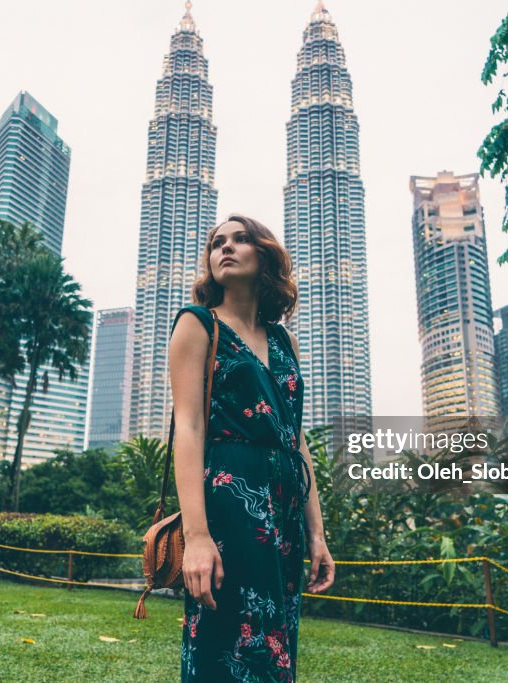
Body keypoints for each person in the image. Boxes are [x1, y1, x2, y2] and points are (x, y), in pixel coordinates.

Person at [169, 214, 335, 681]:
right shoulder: (197, 324)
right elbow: (189, 428)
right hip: (229, 504)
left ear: (264, 254)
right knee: (225, 641)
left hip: (283, 507)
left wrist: (317, 534)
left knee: (275, 641)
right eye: (217, 242)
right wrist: (197, 537)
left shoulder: (286, 341)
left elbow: (296, 440)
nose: (226, 247)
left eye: (240, 239)